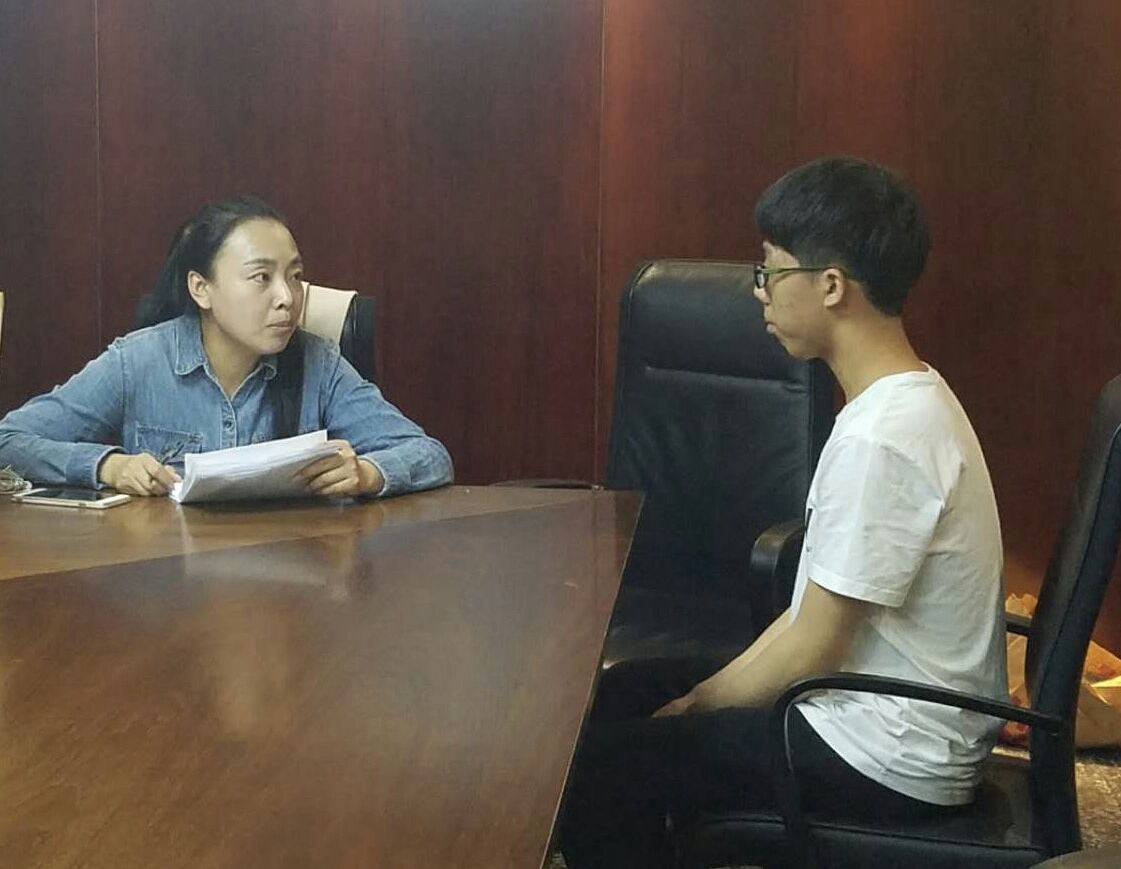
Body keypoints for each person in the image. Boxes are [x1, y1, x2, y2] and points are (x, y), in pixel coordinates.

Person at [559, 156, 1008, 868]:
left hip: (890, 750)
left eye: (769, 271)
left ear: (830, 285)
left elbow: (813, 647)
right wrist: (698, 698)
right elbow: (807, 622)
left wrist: (699, 705)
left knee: (602, 768)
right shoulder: (903, 400)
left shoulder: (884, 438)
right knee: (626, 693)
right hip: (868, 709)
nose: (759, 291)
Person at [0, 195, 453, 498]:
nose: (287, 297)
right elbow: (9, 441)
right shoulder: (137, 362)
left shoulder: (321, 365)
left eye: (294, 276)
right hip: (168, 584)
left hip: (292, 587)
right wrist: (106, 466)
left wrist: (368, 474)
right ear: (202, 289)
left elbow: (429, 455)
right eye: (261, 277)